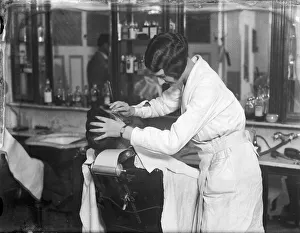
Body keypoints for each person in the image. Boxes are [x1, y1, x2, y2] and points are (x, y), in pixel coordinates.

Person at [89, 32, 264, 232]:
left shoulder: (205, 86)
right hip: (220, 163)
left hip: (233, 168)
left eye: (162, 76)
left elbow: (172, 142)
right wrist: (133, 110)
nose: (162, 82)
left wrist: (123, 131)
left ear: (176, 66)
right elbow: (164, 103)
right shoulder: (190, 74)